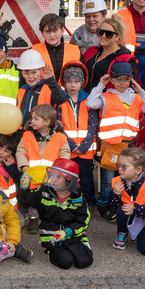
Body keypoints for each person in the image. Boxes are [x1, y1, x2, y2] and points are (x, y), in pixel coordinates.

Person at [86, 61, 145, 218]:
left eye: (126, 79)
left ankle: (119, 201)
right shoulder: (106, 96)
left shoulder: (136, 98)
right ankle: (104, 203)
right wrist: (100, 86)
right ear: (111, 79)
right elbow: (90, 103)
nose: (122, 83)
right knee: (108, 179)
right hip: (109, 146)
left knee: (124, 177)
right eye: (118, 79)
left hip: (128, 147)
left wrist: (141, 91)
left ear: (131, 80)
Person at [29, 158, 93, 269]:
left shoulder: (78, 198)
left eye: (58, 177)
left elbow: (83, 221)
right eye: (52, 175)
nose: (53, 179)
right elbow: (27, 199)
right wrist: (23, 188)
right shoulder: (44, 192)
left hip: (71, 234)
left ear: (69, 180)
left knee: (85, 261)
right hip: (52, 235)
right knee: (66, 262)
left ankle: (73, 247)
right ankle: (49, 250)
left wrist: (68, 231)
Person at [16, 103, 71, 230]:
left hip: (52, 175)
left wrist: (61, 169)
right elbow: (21, 152)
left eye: (36, 119)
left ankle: (50, 218)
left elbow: (65, 153)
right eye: (32, 118)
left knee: (51, 197)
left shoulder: (59, 137)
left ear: (47, 122)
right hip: (32, 174)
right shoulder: (27, 135)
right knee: (33, 198)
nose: (32, 121)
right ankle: (34, 218)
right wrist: (24, 166)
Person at [57, 61, 99, 212]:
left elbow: (93, 124)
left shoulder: (89, 99)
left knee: (87, 178)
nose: (73, 85)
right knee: (69, 178)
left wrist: (84, 146)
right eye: (69, 81)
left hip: (86, 150)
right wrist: (72, 146)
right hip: (68, 149)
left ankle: (90, 202)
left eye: (76, 81)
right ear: (64, 83)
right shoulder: (60, 100)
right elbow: (59, 126)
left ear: (82, 82)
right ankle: (73, 202)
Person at [110, 147, 145, 255]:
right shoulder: (117, 182)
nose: (120, 169)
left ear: (138, 170)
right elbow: (111, 208)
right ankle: (122, 233)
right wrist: (115, 195)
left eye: (124, 166)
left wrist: (136, 209)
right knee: (122, 210)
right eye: (119, 165)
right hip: (132, 215)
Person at [83, 15, 138, 88]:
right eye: (100, 32)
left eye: (109, 34)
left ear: (117, 37)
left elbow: (132, 88)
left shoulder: (126, 59)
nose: (103, 36)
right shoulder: (91, 51)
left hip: (109, 98)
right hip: (86, 97)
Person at [14, 49, 66, 125]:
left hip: (41, 132)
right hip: (22, 132)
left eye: (34, 72)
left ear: (41, 71)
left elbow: (61, 99)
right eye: (27, 73)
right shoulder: (21, 90)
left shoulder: (48, 88)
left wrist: (51, 80)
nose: (31, 76)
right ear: (22, 74)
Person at [31, 13, 80, 79]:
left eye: (55, 31)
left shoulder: (76, 51)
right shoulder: (33, 51)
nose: (52, 35)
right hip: (41, 89)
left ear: (62, 31)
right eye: (47, 31)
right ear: (42, 32)